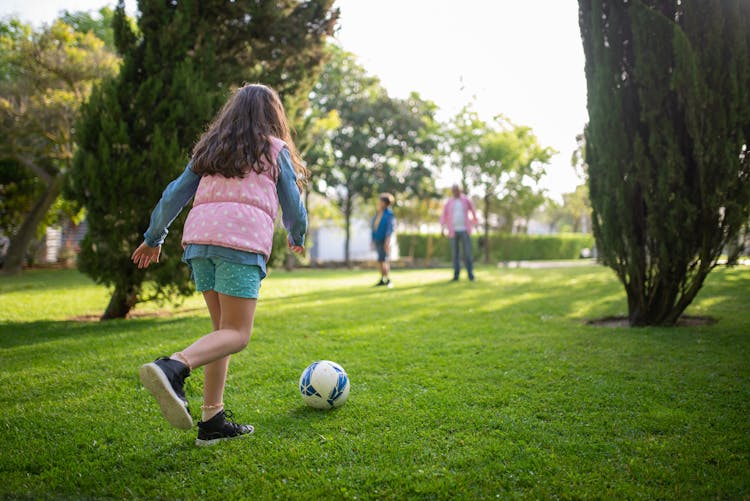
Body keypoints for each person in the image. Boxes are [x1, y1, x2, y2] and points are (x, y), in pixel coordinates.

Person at [130, 84, 307, 446]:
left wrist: (153, 238)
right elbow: (292, 199)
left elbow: (173, 194)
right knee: (238, 335)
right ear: (274, 116)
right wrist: (297, 233)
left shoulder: (210, 150)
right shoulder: (275, 150)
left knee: (220, 333)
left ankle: (213, 420)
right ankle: (173, 366)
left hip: (200, 245)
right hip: (239, 246)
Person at [440, 184, 478, 281]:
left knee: (467, 253)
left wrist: (475, 223)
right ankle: (456, 276)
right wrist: (442, 228)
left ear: (460, 191)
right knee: (455, 254)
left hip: (465, 230)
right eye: (454, 191)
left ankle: (471, 275)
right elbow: (444, 215)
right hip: (453, 231)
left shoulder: (466, 200)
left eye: (457, 190)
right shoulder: (449, 202)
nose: (455, 192)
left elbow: (473, 211)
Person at [371, 193, 395, 287]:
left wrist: (387, 240)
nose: (379, 203)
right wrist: (372, 239)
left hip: (384, 240)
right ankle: (382, 278)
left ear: (385, 203)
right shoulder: (378, 213)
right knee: (380, 260)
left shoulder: (389, 214)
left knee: (384, 259)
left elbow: (390, 228)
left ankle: (387, 279)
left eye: (381, 201)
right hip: (377, 239)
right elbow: (374, 227)